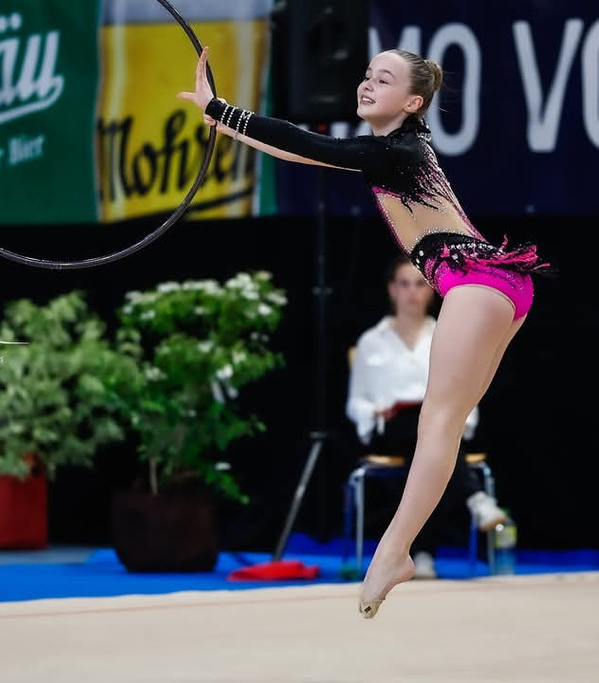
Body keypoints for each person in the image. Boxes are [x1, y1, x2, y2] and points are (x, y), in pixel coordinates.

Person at [180, 46, 550, 619]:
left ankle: (395, 552)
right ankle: (409, 545)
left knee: (438, 422)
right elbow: (303, 151)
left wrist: (222, 110)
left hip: (477, 282)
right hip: (496, 283)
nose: (367, 84)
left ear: (413, 102)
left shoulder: (397, 151)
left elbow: (309, 145)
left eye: (384, 79)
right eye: (367, 75)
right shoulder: (397, 149)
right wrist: (226, 123)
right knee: (445, 425)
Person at [346, 253, 508, 580]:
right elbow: (355, 403)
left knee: (429, 440)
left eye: (420, 284)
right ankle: (474, 497)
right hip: (389, 429)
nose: (412, 292)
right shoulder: (370, 342)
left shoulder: (446, 337)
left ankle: (419, 553)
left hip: (439, 428)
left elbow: (466, 390)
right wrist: (375, 412)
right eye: (404, 284)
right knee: (425, 435)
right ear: (392, 289)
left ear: (431, 289)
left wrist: (455, 420)